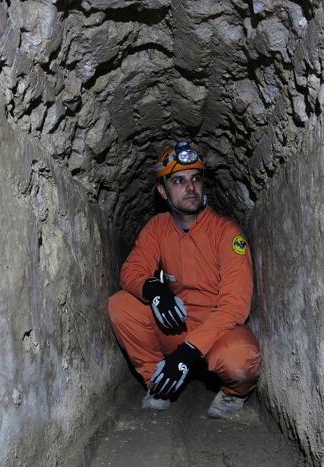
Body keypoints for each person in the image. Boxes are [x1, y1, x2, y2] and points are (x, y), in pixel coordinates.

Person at [107, 140, 261, 418]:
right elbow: (131, 270)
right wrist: (153, 288)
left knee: (241, 360)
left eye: (195, 179)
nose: (190, 187)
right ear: (162, 191)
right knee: (121, 306)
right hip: (176, 326)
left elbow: (235, 305)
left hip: (218, 330)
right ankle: (159, 382)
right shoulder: (157, 228)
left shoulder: (226, 233)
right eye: (178, 181)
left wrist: (190, 351)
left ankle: (232, 396)